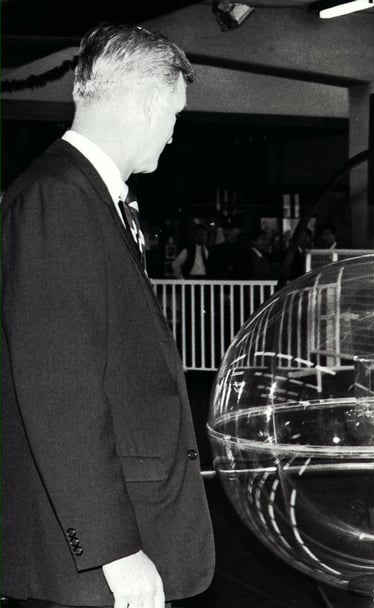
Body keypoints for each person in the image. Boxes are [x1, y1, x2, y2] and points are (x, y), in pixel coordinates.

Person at [1, 24, 215, 608]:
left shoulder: (84, 195)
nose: (173, 133)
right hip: (93, 565)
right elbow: (59, 391)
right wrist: (112, 550)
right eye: (174, 112)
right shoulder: (59, 199)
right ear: (147, 102)